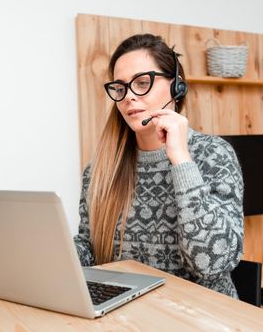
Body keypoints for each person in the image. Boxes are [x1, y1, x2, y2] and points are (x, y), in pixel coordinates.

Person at [74, 33, 244, 298]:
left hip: (201, 316)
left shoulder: (215, 155)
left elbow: (212, 263)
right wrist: (51, 256)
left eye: (142, 83)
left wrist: (181, 161)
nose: (129, 96)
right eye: (120, 88)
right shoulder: (100, 170)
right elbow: (90, 249)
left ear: (177, 87)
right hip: (128, 314)